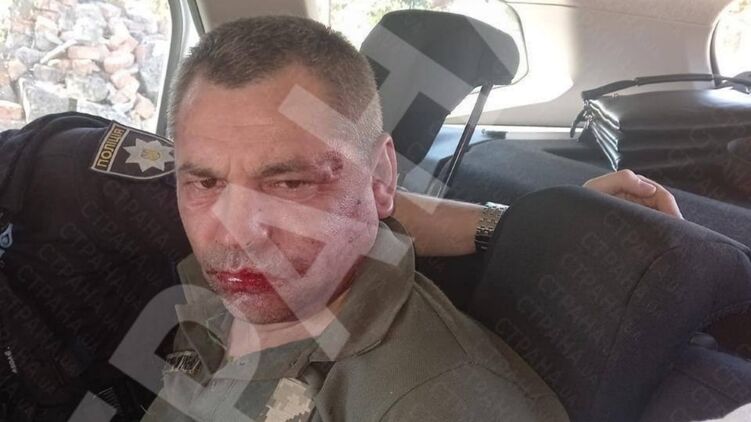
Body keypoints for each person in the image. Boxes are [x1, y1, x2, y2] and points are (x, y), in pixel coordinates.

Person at [139, 16, 683, 421]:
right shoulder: (229, 289)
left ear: (380, 177)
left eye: (290, 184)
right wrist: (515, 226)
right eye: (205, 182)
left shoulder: (434, 402)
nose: (235, 231)